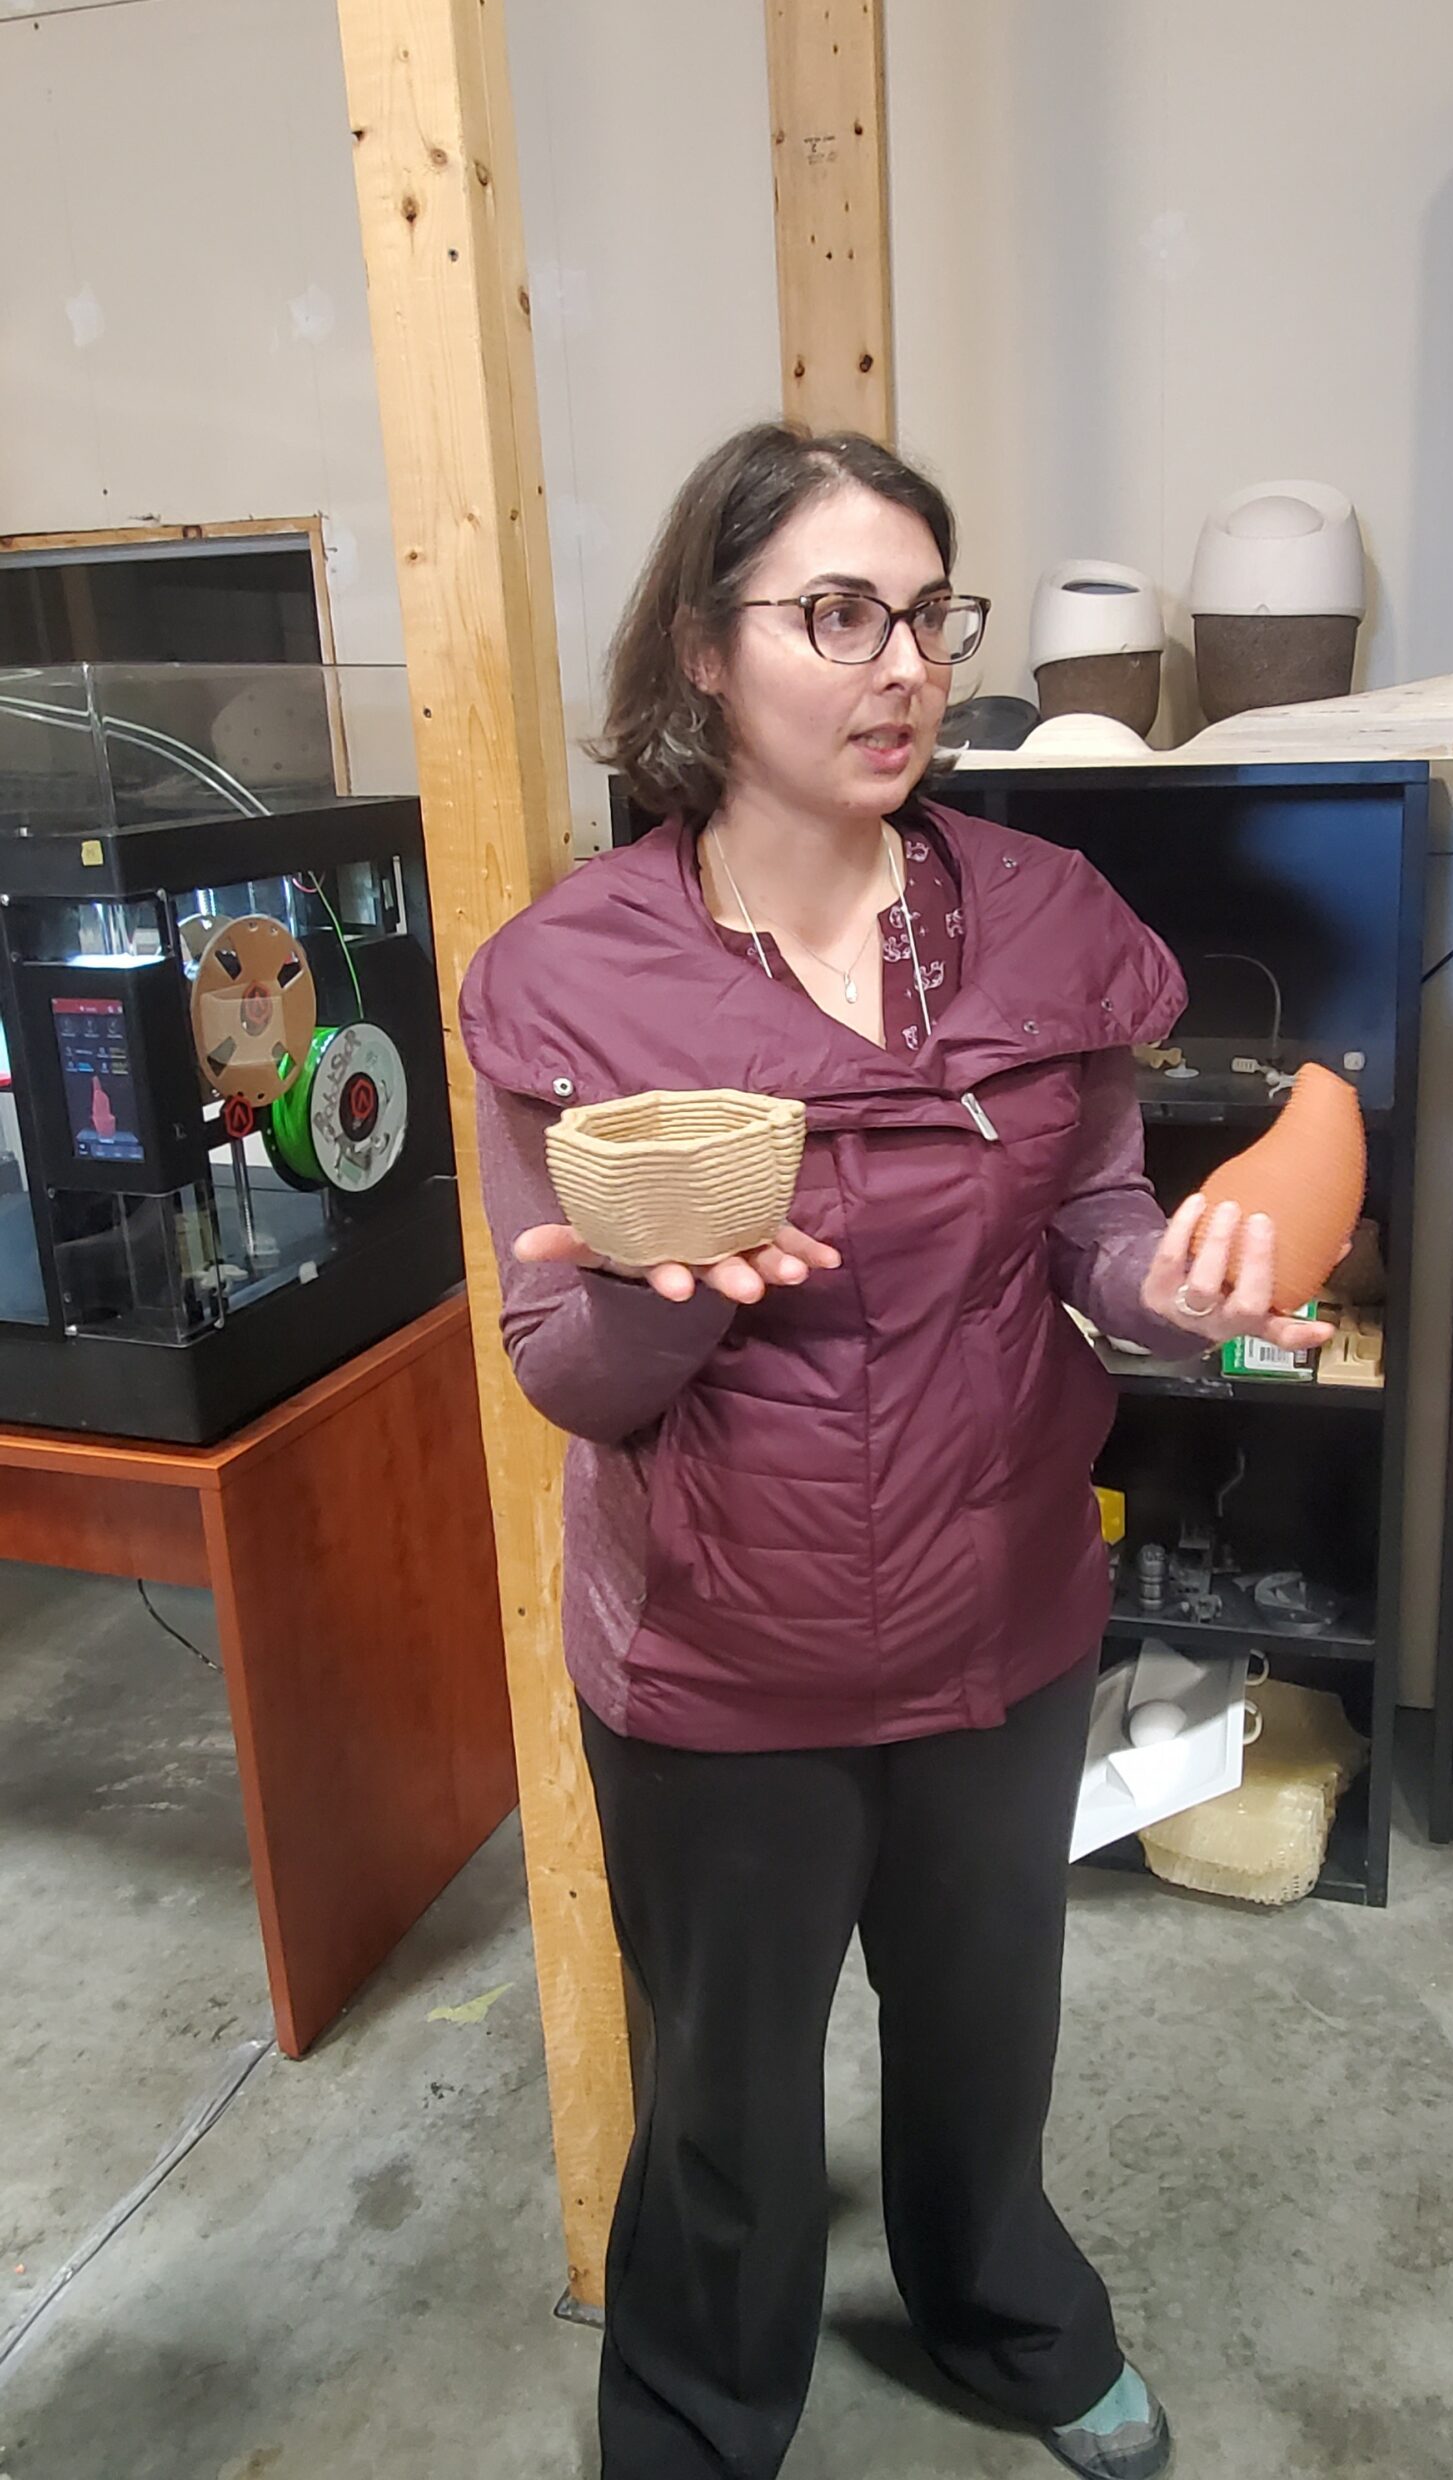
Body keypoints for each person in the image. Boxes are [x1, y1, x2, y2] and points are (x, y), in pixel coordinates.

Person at [459, 425, 1331, 2480]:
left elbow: (1094, 1230)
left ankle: (1005, 2316)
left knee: (985, 2046)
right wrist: (666, 1292)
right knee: (724, 2098)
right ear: (702, 648)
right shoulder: (576, 976)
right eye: (835, 616)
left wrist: (1174, 1286)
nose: (904, 669)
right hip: (717, 1651)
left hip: (995, 1611)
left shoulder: (1039, 918)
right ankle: (699, 2409)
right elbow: (566, 1371)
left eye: (930, 617)